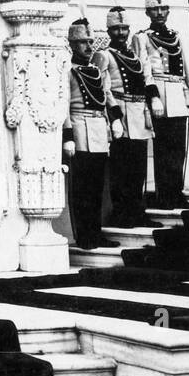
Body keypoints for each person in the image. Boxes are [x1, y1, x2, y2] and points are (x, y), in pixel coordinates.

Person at [133, 0, 189, 210]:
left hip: (178, 94)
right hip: (160, 93)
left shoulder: (176, 35)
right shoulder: (142, 37)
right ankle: (164, 196)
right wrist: (153, 97)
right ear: (147, 12)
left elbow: (186, 68)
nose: (160, 13)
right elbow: (144, 68)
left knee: (179, 147)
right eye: (155, 9)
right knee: (164, 148)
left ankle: (176, 193)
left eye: (163, 8)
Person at [99, 6, 155, 228]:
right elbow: (104, 89)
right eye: (116, 29)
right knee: (121, 168)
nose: (121, 33)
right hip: (121, 115)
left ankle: (137, 211)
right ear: (108, 31)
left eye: (124, 28)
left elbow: (145, 77)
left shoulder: (134, 55)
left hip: (139, 114)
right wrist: (113, 117)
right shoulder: (104, 55)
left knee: (138, 167)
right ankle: (121, 213)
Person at [63, 20, 116, 250]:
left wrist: (114, 122)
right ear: (72, 44)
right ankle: (84, 236)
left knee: (96, 189)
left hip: (98, 130)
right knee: (82, 189)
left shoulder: (96, 70)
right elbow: (63, 105)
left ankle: (96, 233)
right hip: (80, 129)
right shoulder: (67, 71)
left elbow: (105, 96)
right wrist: (68, 137)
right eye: (83, 42)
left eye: (90, 42)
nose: (88, 46)